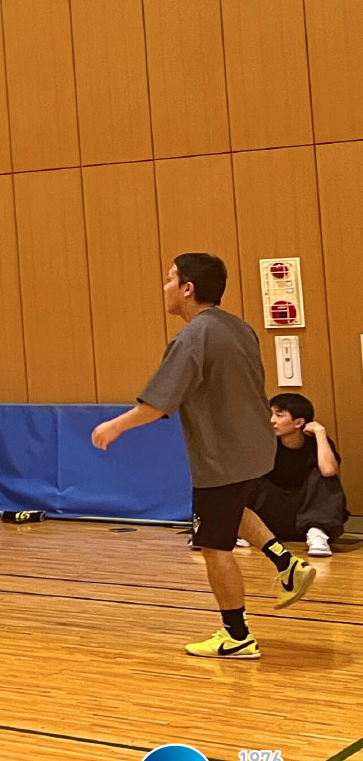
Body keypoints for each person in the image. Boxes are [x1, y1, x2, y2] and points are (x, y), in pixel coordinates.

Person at [92, 253, 318, 659]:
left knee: (214, 547)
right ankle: (286, 564)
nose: (164, 287)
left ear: (187, 289)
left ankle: (237, 635)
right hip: (256, 448)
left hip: (222, 455)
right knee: (232, 510)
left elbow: (158, 403)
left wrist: (115, 426)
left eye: (169, 279)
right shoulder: (240, 327)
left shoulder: (192, 337)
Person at [251, 393, 346, 558]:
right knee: (252, 478)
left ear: (299, 422)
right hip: (275, 515)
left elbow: (329, 470)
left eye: (279, 415)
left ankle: (317, 534)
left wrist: (320, 433)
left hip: (309, 515)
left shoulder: (316, 443)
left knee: (322, 475)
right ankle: (246, 532)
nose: (272, 420)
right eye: (270, 414)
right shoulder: (267, 443)